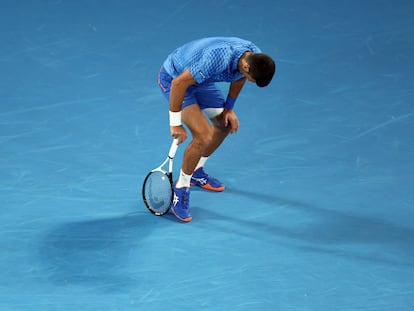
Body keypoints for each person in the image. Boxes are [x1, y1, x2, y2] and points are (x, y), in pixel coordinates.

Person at [157, 37, 276, 222]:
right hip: (175, 79)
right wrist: (175, 123)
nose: (248, 80)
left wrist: (229, 108)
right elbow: (179, 83)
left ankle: (196, 171)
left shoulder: (253, 56)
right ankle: (180, 189)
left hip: (200, 79)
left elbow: (239, 77)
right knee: (203, 136)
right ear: (247, 67)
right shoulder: (216, 59)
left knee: (225, 124)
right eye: (251, 78)